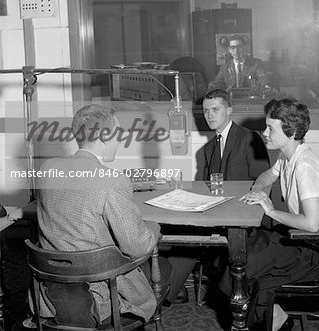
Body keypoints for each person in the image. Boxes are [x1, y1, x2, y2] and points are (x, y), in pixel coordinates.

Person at [32, 104, 173, 327]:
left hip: (50, 296)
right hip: (99, 299)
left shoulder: (48, 168)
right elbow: (137, 247)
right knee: (164, 266)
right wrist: (153, 227)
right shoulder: (113, 180)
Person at [219, 98, 319, 330]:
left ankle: (253, 322)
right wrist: (257, 192)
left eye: (271, 128)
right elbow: (268, 176)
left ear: (293, 132)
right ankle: (276, 319)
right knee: (251, 247)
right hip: (308, 236)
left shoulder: (304, 166)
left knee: (244, 268)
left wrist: (270, 210)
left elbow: (311, 224)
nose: (264, 133)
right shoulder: (288, 155)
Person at [198, 89, 270, 181]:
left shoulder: (250, 138)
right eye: (206, 111)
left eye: (215, 109)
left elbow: (264, 180)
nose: (210, 116)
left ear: (229, 111)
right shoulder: (209, 147)